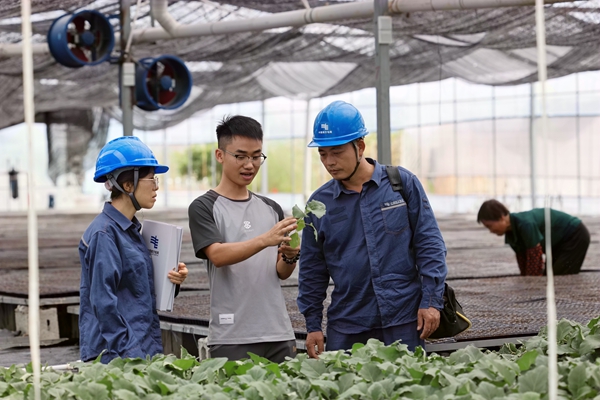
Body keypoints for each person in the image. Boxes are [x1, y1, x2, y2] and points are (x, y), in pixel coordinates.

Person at [297, 101, 448, 358]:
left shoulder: (401, 184)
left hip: (404, 319)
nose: (329, 162)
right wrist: (313, 325)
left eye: (337, 152)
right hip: (348, 324)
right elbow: (312, 269)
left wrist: (432, 302)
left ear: (360, 147)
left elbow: (430, 245)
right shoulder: (319, 204)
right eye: (323, 154)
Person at [188, 115, 300, 363]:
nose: (250, 164)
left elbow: (280, 273)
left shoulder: (271, 207)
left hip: (278, 332)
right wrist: (265, 239)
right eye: (240, 156)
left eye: (256, 156)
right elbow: (217, 255)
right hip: (232, 335)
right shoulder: (204, 207)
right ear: (220, 155)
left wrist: (290, 257)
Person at [79, 136, 188, 363]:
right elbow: (103, 303)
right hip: (117, 358)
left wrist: (171, 281)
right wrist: (130, 357)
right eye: (151, 179)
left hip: (140, 349)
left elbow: (136, 290)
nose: (156, 187)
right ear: (128, 185)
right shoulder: (105, 235)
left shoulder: (130, 230)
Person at [477, 199, 590, 276]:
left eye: (490, 226)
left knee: (559, 277)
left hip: (575, 235)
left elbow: (535, 258)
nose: (491, 231)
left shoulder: (525, 224)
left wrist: (531, 285)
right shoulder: (511, 234)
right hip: (558, 244)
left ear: (501, 218)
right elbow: (523, 261)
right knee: (549, 276)